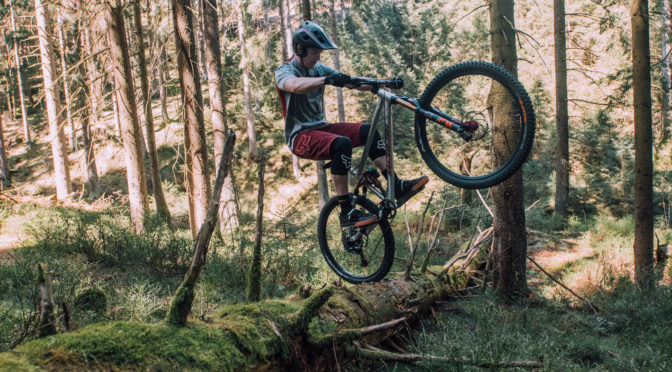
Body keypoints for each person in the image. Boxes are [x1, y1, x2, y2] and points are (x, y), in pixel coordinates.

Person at [275, 21, 428, 228]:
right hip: (300, 137)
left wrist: (383, 83)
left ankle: (396, 184)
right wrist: (326, 80)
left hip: (321, 128)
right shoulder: (284, 70)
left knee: (368, 131)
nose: (318, 57)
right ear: (299, 49)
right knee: (342, 143)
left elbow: (351, 82)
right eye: (314, 52)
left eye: (319, 52)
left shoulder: (318, 68)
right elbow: (294, 86)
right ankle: (346, 212)